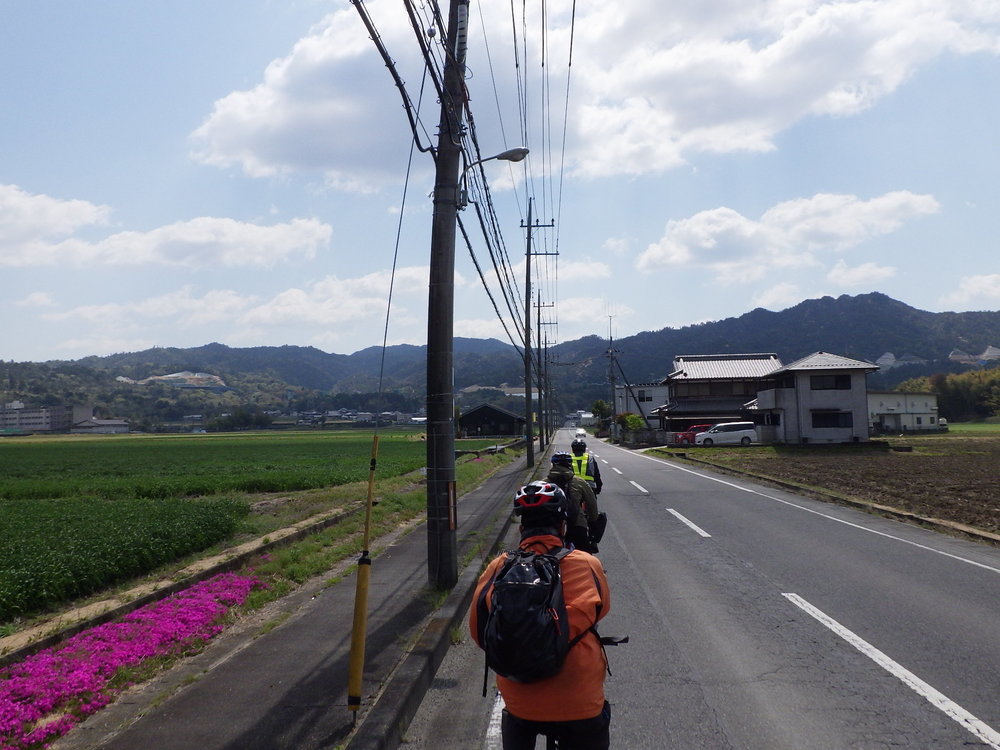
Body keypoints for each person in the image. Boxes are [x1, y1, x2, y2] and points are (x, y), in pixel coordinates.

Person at [470, 481, 612, 750]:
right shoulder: (586, 563)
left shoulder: (498, 567)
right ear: (562, 527)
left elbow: (479, 632)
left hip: (520, 697)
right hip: (579, 698)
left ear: (522, 529)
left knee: (518, 721)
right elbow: (601, 610)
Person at [547, 452, 600, 553]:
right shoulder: (579, 482)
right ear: (570, 465)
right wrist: (593, 521)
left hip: (551, 528)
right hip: (577, 526)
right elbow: (592, 505)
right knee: (585, 558)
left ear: (553, 465)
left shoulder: (544, 483)